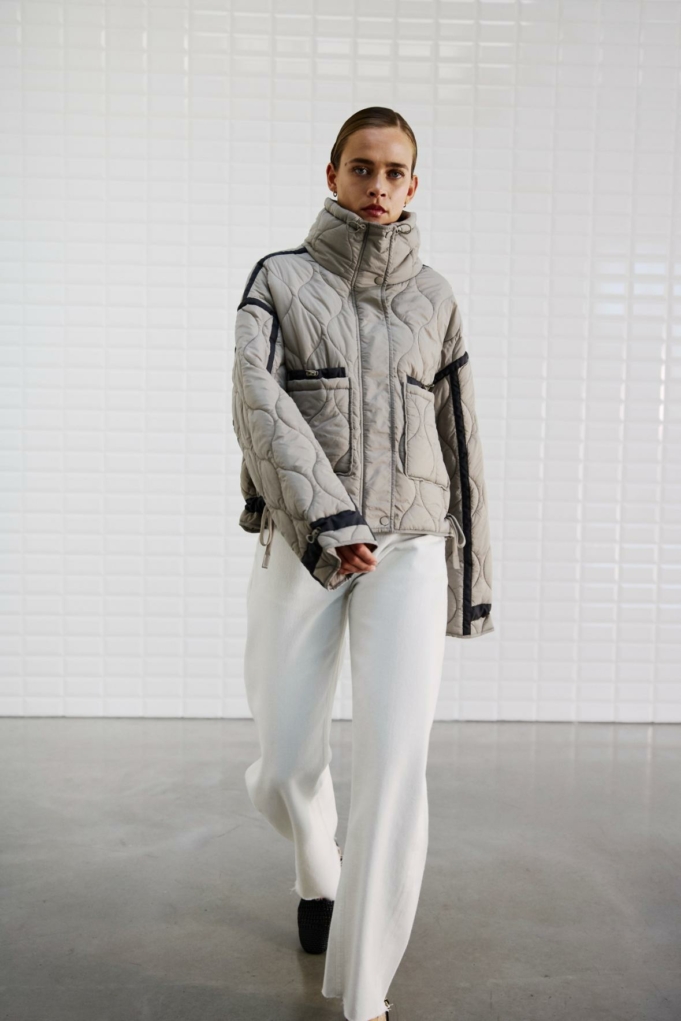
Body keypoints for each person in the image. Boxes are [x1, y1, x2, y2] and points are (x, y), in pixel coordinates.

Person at [231, 107, 494, 1021]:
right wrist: (329, 518)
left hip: (410, 552)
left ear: (412, 185)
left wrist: (470, 576)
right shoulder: (279, 278)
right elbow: (257, 405)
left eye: (394, 172)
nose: (377, 186)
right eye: (361, 168)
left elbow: (460, 440)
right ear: (332, 174)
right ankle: (317, 863)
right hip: (305, 547)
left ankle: (366, 995)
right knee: (281, 762)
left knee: (394, 769)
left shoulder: (436, 298)